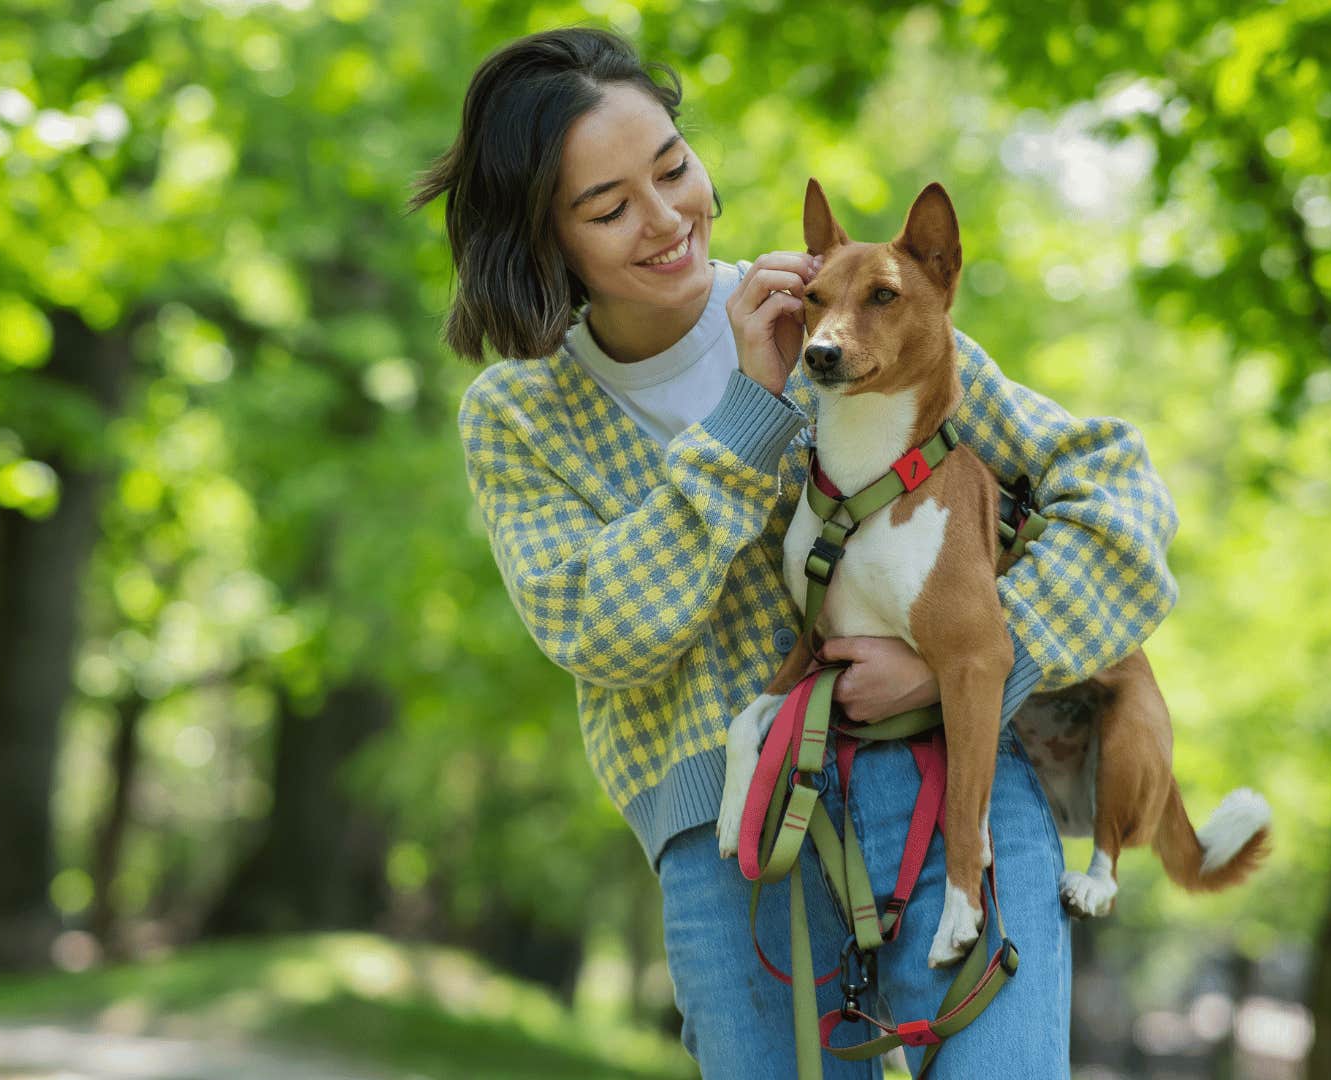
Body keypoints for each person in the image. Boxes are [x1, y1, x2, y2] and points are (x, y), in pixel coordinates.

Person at [408, 26, 1178, 1079]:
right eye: (609, 206)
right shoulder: (525, 414)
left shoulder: (855, 313)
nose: (666, 216)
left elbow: (1123, 498)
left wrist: (982, 657)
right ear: (545, 238)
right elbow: (599, 630)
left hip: (960, 798)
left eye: (673, 167)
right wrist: (749, 418)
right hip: (741, 851)